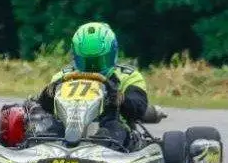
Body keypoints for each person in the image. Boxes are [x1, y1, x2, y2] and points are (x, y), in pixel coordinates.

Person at [36, 21, 149, 149]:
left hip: (111, 124)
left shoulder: (129, 76)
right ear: (76, 57)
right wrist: (48, 94)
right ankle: (51, 147)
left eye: (99, 61)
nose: (93, 68)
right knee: (47, 132)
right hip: (66, 124)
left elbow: (139, 108)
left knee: (110, 133)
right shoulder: (62, 76)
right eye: (87, 62)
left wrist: (120, 99)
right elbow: (45, 108)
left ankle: (100, 150)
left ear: (112, 53)